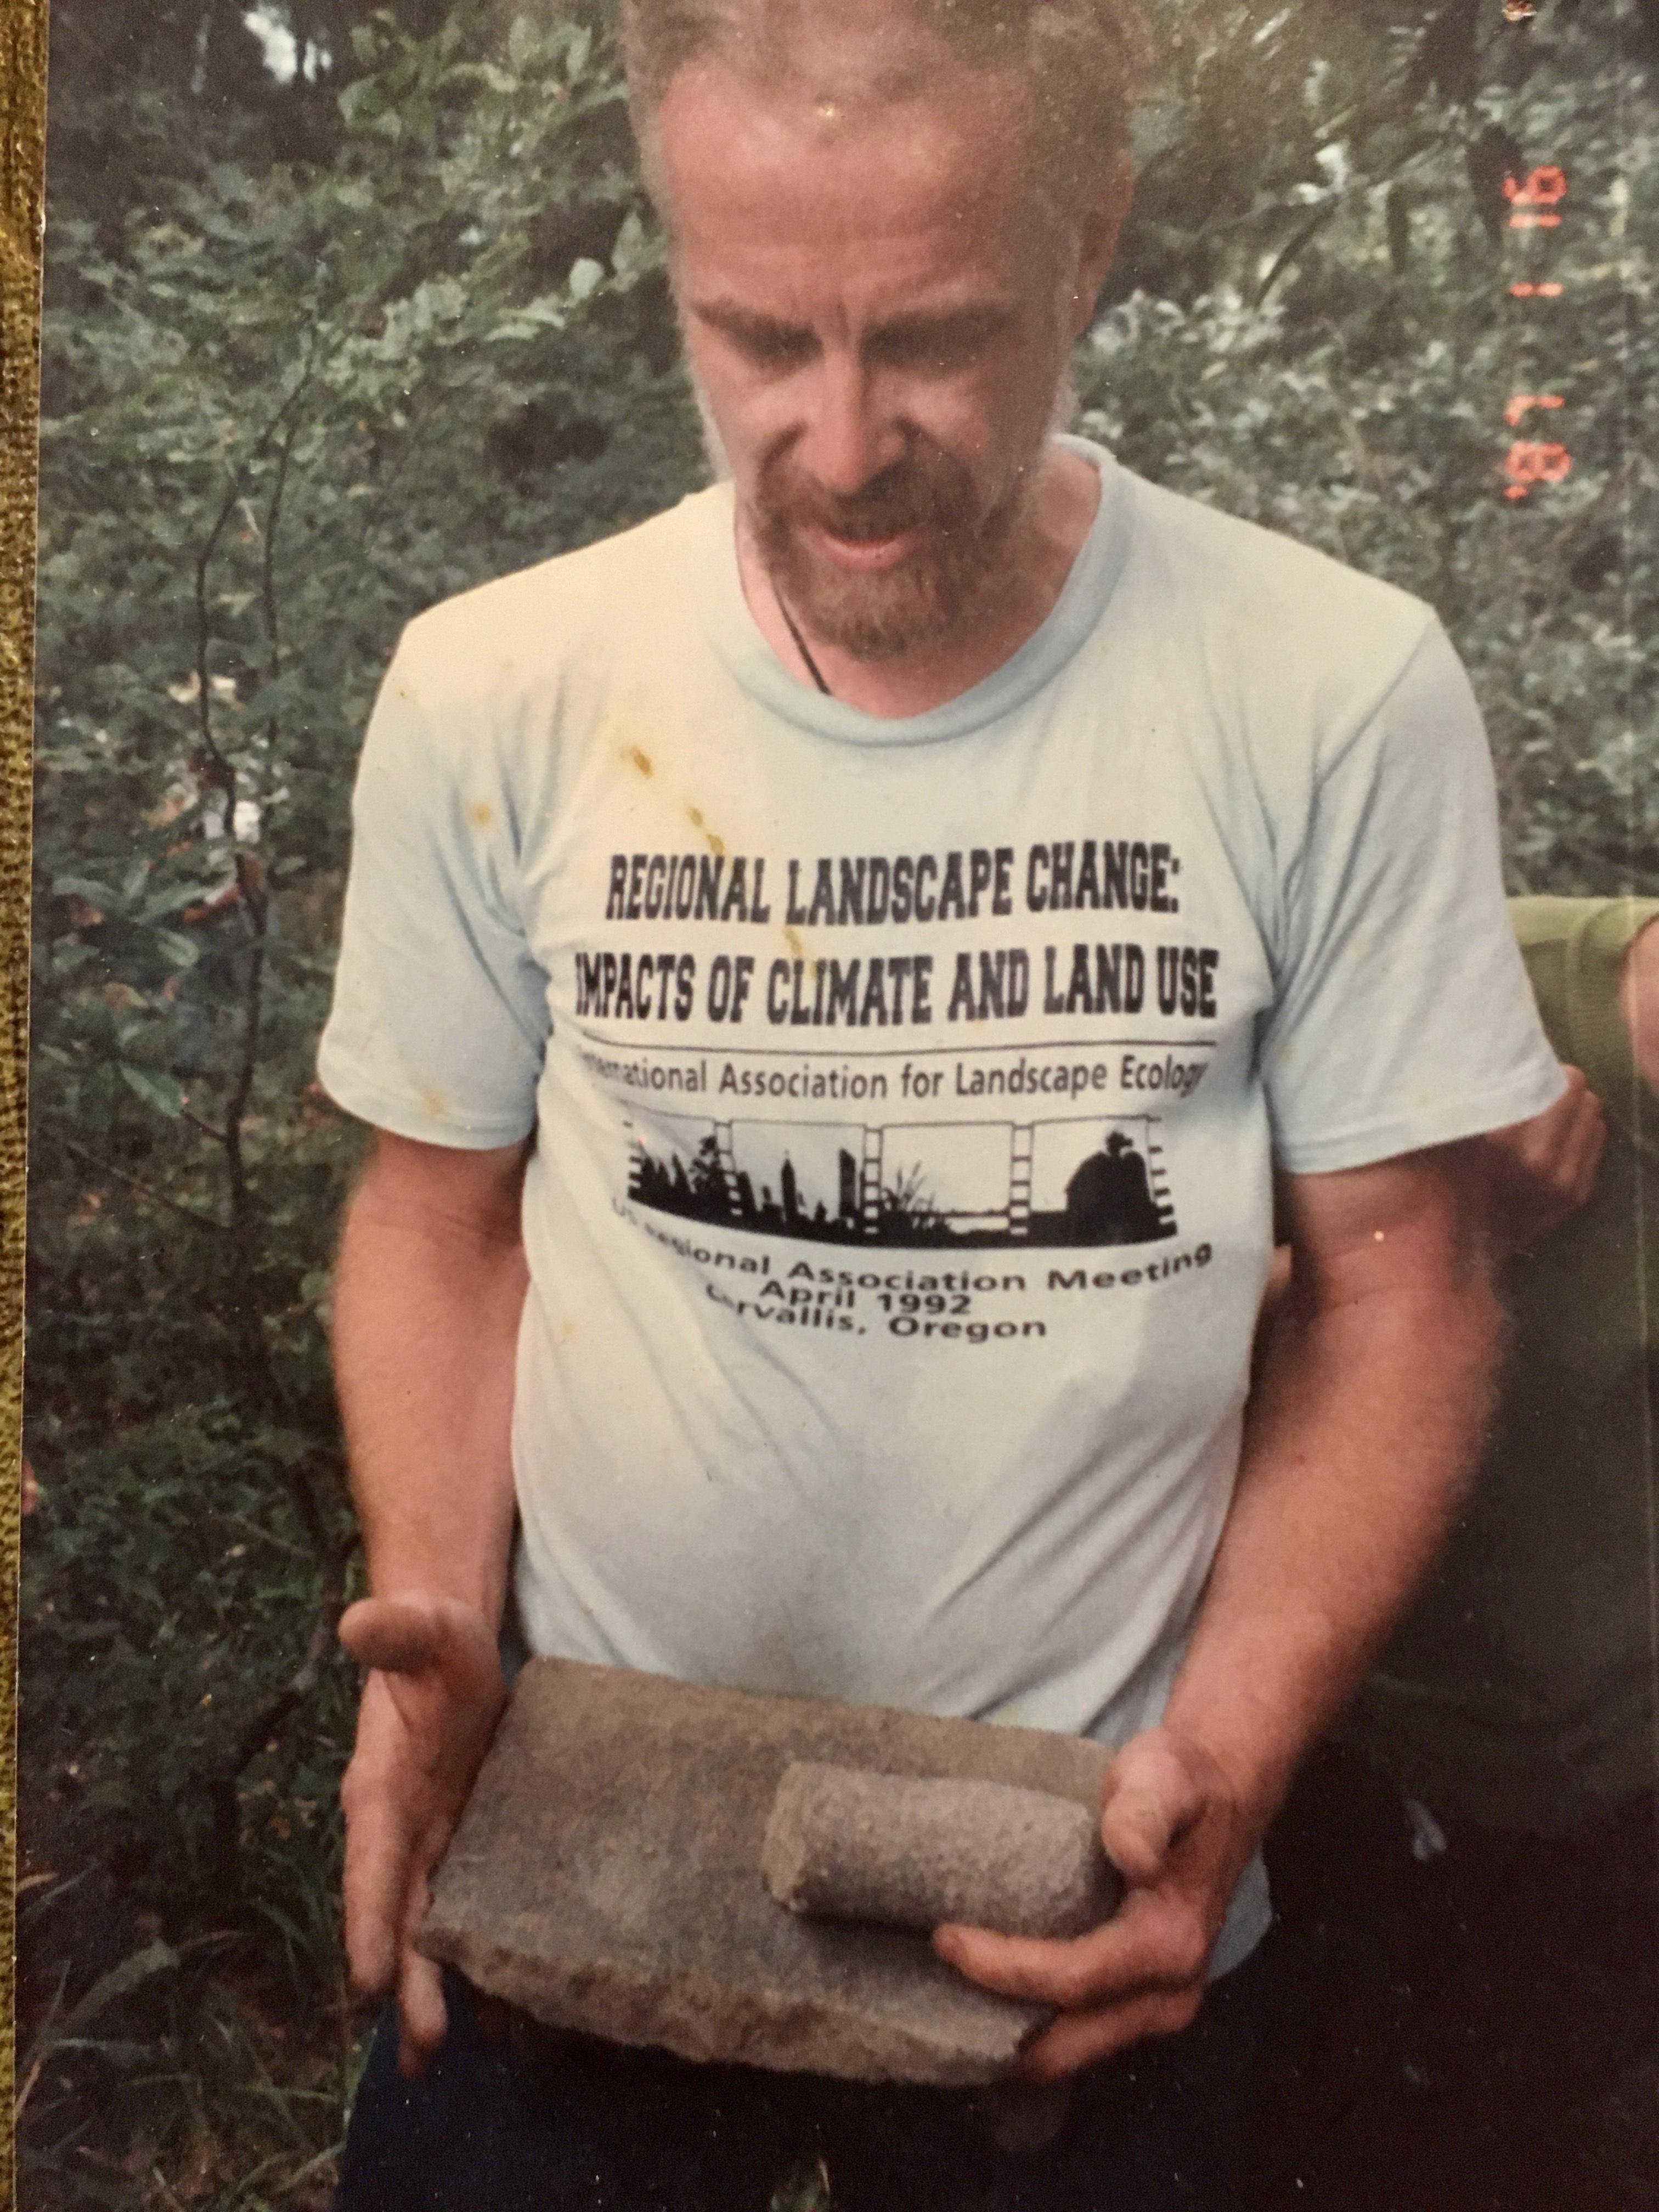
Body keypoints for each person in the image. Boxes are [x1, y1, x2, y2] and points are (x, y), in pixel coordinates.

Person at [314, 3, 1565, 2204]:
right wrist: (435, 1617)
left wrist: (1235, 1766)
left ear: (1088, 247)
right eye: (756, 338)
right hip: (578, 1846)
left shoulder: (1327, 687)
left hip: (1090, 1881)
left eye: (937, 337)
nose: (845, 438)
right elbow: (444, 1216)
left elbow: (1403, 1295)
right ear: (671, 253)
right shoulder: (499, 685)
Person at [1249, 897, 1657, 2210]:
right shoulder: (1451, 994)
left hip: (1611, 1803)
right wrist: (1431, 1245)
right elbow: (1108, 1358)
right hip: (1332, 1767)